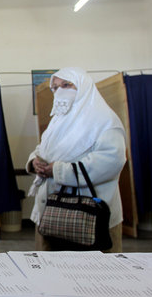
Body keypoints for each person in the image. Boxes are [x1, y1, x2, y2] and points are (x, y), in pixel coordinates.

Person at [26, 67, 126, 252]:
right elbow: (45, 149)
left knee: (92, 275)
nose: (59, 91)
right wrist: (34, 161)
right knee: (50, 274)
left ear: (83, 86)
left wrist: (58, 170)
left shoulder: (105, 122)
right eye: (55, 87)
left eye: (66, 85)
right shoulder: (59, 120)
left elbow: (110, 162)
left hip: (87, 219)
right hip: (51, 215)